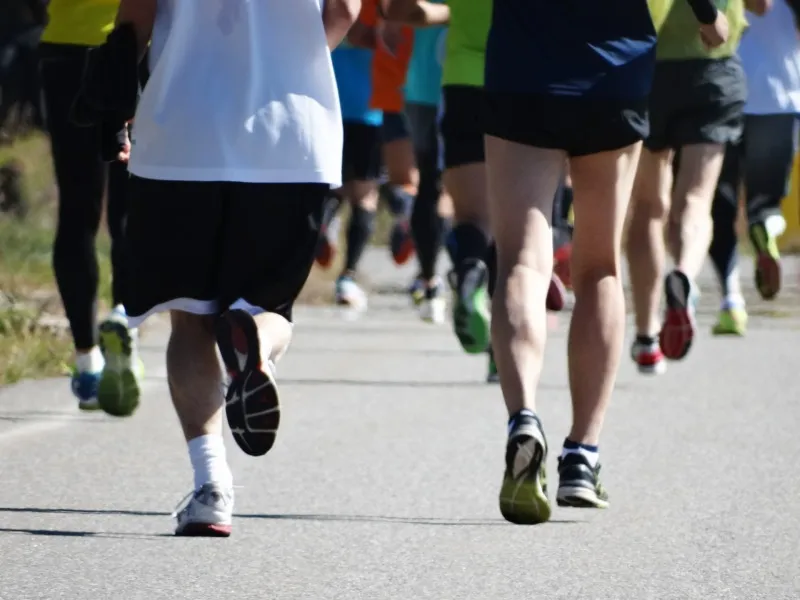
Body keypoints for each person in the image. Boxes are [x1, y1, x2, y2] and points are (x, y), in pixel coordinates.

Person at [104, 0, 356, 536]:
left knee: (190, 316)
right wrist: (289, 65)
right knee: (270, 305)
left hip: (182, 131)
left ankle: (212, 486)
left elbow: (136, 15)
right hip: (291, 137)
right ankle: (256, 348)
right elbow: (345, 10)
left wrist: (114, 96)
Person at [481, 0, 727, 524]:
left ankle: (523, 415)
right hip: (613, 69)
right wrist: (708, 16)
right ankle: (582, 457)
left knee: (522, 261)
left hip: (522, 67)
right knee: (599, 267)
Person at [626, 0, 766, 373]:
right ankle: (684, 275)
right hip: (714, 66)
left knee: (648, 207)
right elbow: (762, 5)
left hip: (647, 67)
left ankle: (646, 337)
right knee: (695, 199)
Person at [38, 0, 143, 415]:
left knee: (77, 211)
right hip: (136, 44)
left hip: (65, 48)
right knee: (131, 210)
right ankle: (123, 322)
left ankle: (87, 362)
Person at [709, 0, 800, 335]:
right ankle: (763, 228)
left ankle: (731, 302)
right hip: (779, 97)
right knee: (767, 203)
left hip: (722, 91)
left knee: (721, 206)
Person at [318, 7, 384, 310]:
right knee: (364, 194)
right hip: (367, 104)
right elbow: (365, 34)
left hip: (325, 99)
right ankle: (348, 277)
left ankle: (324, 222)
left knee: (333, 187)